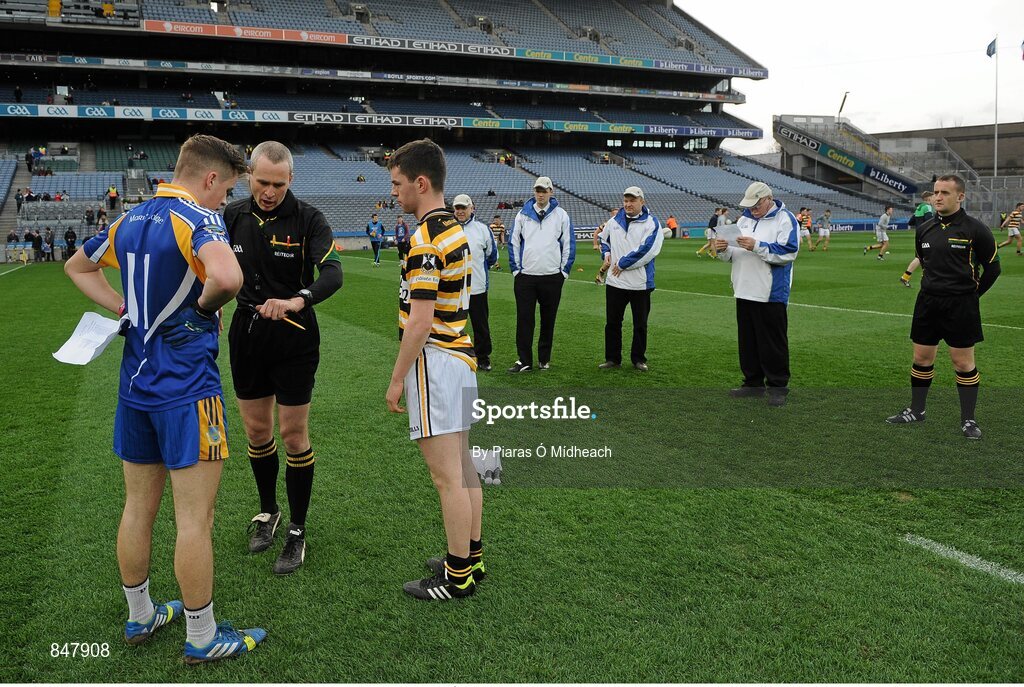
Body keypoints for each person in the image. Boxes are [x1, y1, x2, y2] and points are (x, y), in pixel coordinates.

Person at [64, 134, 265, 663]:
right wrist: (200, 312)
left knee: (137, 507)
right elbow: (227, 277)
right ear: (208, 179)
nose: (224, 201)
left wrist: (124, 310)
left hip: (135, 388)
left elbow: (76, 267)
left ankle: (140, 614)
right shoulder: (198, 218)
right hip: (189, 391)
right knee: (194, 518)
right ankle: (202, 636)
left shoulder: (129, 219)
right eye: (225, 190)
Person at [223, 141, 343, 575]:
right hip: (248, 333)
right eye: (261, 182)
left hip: (294, 336)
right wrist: (215, 303)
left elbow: (332, 273)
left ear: (290, 179)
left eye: (277, 184)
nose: (269, 191)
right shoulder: (231, 215)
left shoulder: (308, 218)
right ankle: (268, 512)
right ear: (250, 175)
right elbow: (209, 267)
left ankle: (296, 529)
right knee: (256, 431)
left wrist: (298, 299)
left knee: (293, 435)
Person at [385, 138, 483, 601]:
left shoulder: (426, 238)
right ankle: (470, 556)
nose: (395, 192)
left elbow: (420, 320)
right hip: (461, 354)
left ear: (421, 183)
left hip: (437, 360)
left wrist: (397, 376)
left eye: (399, 183)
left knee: (447, 475)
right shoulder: (456, 230)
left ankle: (457, 575)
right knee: (464, 467)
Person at [885, 174, 1001, 439]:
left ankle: (968, 419)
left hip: (961, 305)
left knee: (963, 363)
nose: (938, 197)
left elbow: (993, 269)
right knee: (921, 358)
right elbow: (924, 262)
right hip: (927, 303)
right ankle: (917, 410)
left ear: (960, 196)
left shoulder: (975, 229)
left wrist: (973, 295)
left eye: (945, 193)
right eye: (936, 192)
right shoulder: (924, 228)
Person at [714, 182, 798, 407]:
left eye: (756, 204)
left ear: (768, 198)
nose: (753, 209)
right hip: (743, 288)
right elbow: (734, 254)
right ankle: (752, 383)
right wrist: (723, 249)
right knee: (748, 341)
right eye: (750, 205)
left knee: (772, 342)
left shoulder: (785, 219)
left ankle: (778, 387)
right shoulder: (744, 220)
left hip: (770, 292)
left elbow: (789, 252)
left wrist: (757, 245)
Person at [507, 175, 575, 373]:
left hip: (552, 277)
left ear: (551, 192)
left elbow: (569, 244)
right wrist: (516, 270)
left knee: (548, 320)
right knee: (524, 320)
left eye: (544, 191)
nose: (540, 194)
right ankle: (524, 360)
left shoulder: (561, 215)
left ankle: (544, 359)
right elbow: (513, 242)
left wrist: (563, 272)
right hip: (526, 277)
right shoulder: (522, 214)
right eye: (538, 190)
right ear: (534, 192)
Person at [597, 187, 663, 372]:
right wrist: (607, 254)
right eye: (626, 200)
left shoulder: (651, 223)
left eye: (632, 200)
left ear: (642, 202)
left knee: (640, 324)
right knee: (612, 323)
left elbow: (648, 250)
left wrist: (622, 264)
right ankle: (612, 358)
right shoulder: (614, 220)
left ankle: (638, 359)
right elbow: (603, 238)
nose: (628, 204)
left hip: (640, 284)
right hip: (615, 283)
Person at [454, 193, 497, 371]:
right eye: (457, 208)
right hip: (453, 288)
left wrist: (477, 271)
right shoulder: (448, 229)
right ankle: (455, 357)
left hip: (477, 287)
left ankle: (483, 358)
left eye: (464, 207)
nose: (460, 211)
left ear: (472, 208)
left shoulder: (482, 229)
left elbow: (492, 256)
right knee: (452, 326)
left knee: (481, 325)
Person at [901, 192, 935, 287]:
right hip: (926, 235)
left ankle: (905, 277)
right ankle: (930, 279)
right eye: (933, 197)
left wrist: (919, 224)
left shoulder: (919, 207)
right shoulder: (928, 207)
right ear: (928, 198)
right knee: (930, 256)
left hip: (919, 234)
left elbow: (910, 222)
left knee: (920, 257)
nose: (934, 199)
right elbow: (930, 221)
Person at [594, 208, 618, 284]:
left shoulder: (621, 224)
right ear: (612, 215)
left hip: (613, 245)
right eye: (614, 214)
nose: (616, 215)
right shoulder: (606, 224)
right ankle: (600, 275)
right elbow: (596, 233)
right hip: (605, 244)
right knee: (608, 262)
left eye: (617, 214)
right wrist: (595, 244)